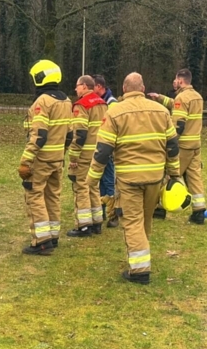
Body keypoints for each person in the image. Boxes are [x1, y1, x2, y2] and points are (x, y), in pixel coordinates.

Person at [89, 72, 180, 284]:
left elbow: (103, 150)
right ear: (143, 87)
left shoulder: (115, 112)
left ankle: (139, 270)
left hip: (129, 179)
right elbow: (173, 145)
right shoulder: (161, 111)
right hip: (155, 177)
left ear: (123, 88)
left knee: (132, 222)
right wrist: (174, 174)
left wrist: (92, 179)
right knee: (145, 220)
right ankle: (141, 259)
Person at [19, 59, 73, 255]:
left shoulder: (43, 101)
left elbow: (39, 135)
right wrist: (62, 153)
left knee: (34, 195)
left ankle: (41, 241)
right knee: (53, 196)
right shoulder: (66, 101)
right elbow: (70, 134)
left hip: (41, 160)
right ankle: (53, 236)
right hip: (57, 159)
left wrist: (26, 160)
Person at [149, 68, 207, 224]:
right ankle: (199, 211)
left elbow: (179, 125)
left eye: (175, 80)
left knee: (167, 175)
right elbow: (175, 105)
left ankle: (159, 209)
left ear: (181, 81)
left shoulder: (182, 97)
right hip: (196, 145)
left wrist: (170, 143)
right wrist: (159, 98)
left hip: (183, 146)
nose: (174, 82)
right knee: (194, 177)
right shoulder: (197, 97)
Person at [67, 75, 108, 236]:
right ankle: (97, 222)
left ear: (84, 86)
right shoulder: (102, 103)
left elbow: (80, 134)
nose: (75, 89)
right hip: (99, 153)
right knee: (93, 187)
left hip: (84, 154)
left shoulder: (81, 105)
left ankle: (83, 226)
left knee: (81, 187)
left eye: (77, 86)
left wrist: (73, 157)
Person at [93, 75, 120, 228]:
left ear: (99, 87)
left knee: (109, 182)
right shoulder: (99, 102)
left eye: (93, 87)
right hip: (100, 147)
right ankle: (102, 210)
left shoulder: (112, 103)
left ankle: (113, 215)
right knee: (100, 181)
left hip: (108, 148)